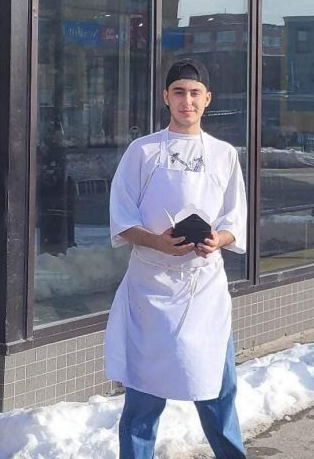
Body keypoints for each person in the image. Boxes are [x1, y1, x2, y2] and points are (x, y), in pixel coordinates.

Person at [105, 58, 248, 459]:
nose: (188, 100)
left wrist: (217, 239)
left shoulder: (223, 155)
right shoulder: (142, 151)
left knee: (219, 393)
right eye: (179, 92)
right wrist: (156, 241)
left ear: (208, 100)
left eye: (195, 93)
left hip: (204, 290)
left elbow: (235, 218)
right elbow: (121, 218)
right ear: (166, 97)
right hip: (150, 291)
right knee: (143, 403)